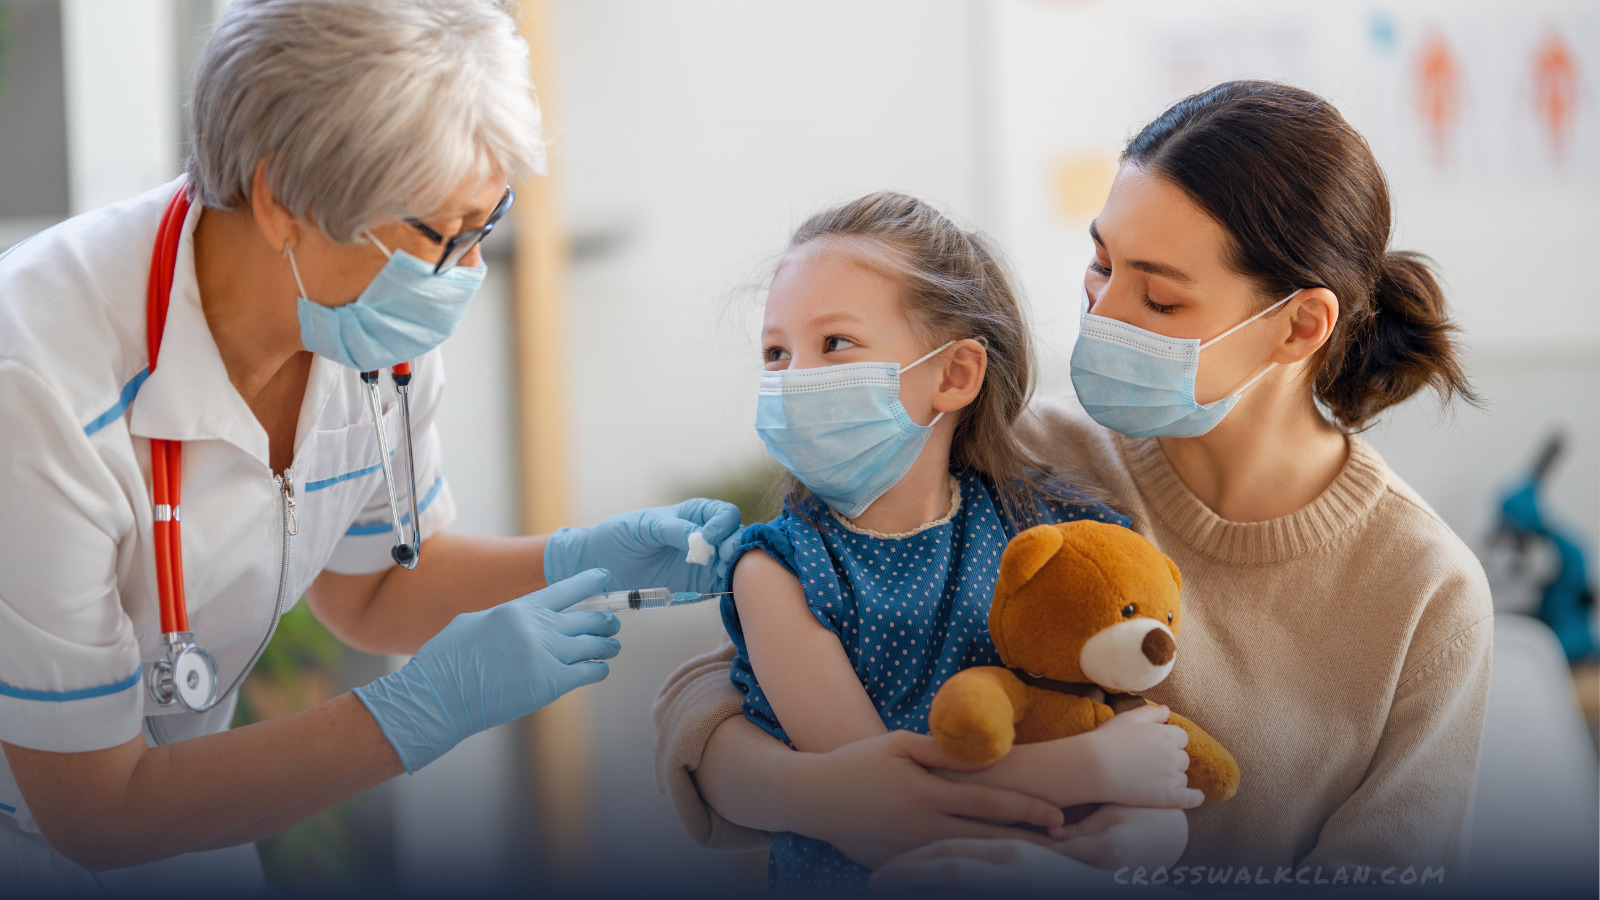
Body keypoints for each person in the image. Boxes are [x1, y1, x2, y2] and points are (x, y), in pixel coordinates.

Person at [654, 81, 1493, 894]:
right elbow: (725, 684)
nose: (1103, 313)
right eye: (1101, 266)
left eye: (1158, 298)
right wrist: (826, 794)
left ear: (1300, 326)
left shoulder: (1426, 594)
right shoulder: (1028, 457)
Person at [0, 1, 739, 893]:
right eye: (438, 235)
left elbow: (374, 585)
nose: (462, 275)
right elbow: (96, 809)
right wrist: (416, 712)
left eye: (487, 225)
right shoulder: (34, 385)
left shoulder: (368, 332)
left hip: (185, 824)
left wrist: (581, 561)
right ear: (284, 200)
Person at [723, 192, 1202, 893]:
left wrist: (1146, 829)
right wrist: (1090, 767)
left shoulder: (1053, 532)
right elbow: (883, 797)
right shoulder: (776, 573)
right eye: (776, 352)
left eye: (835, 344)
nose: (794, 380)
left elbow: (1134, 732)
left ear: (954, 375)